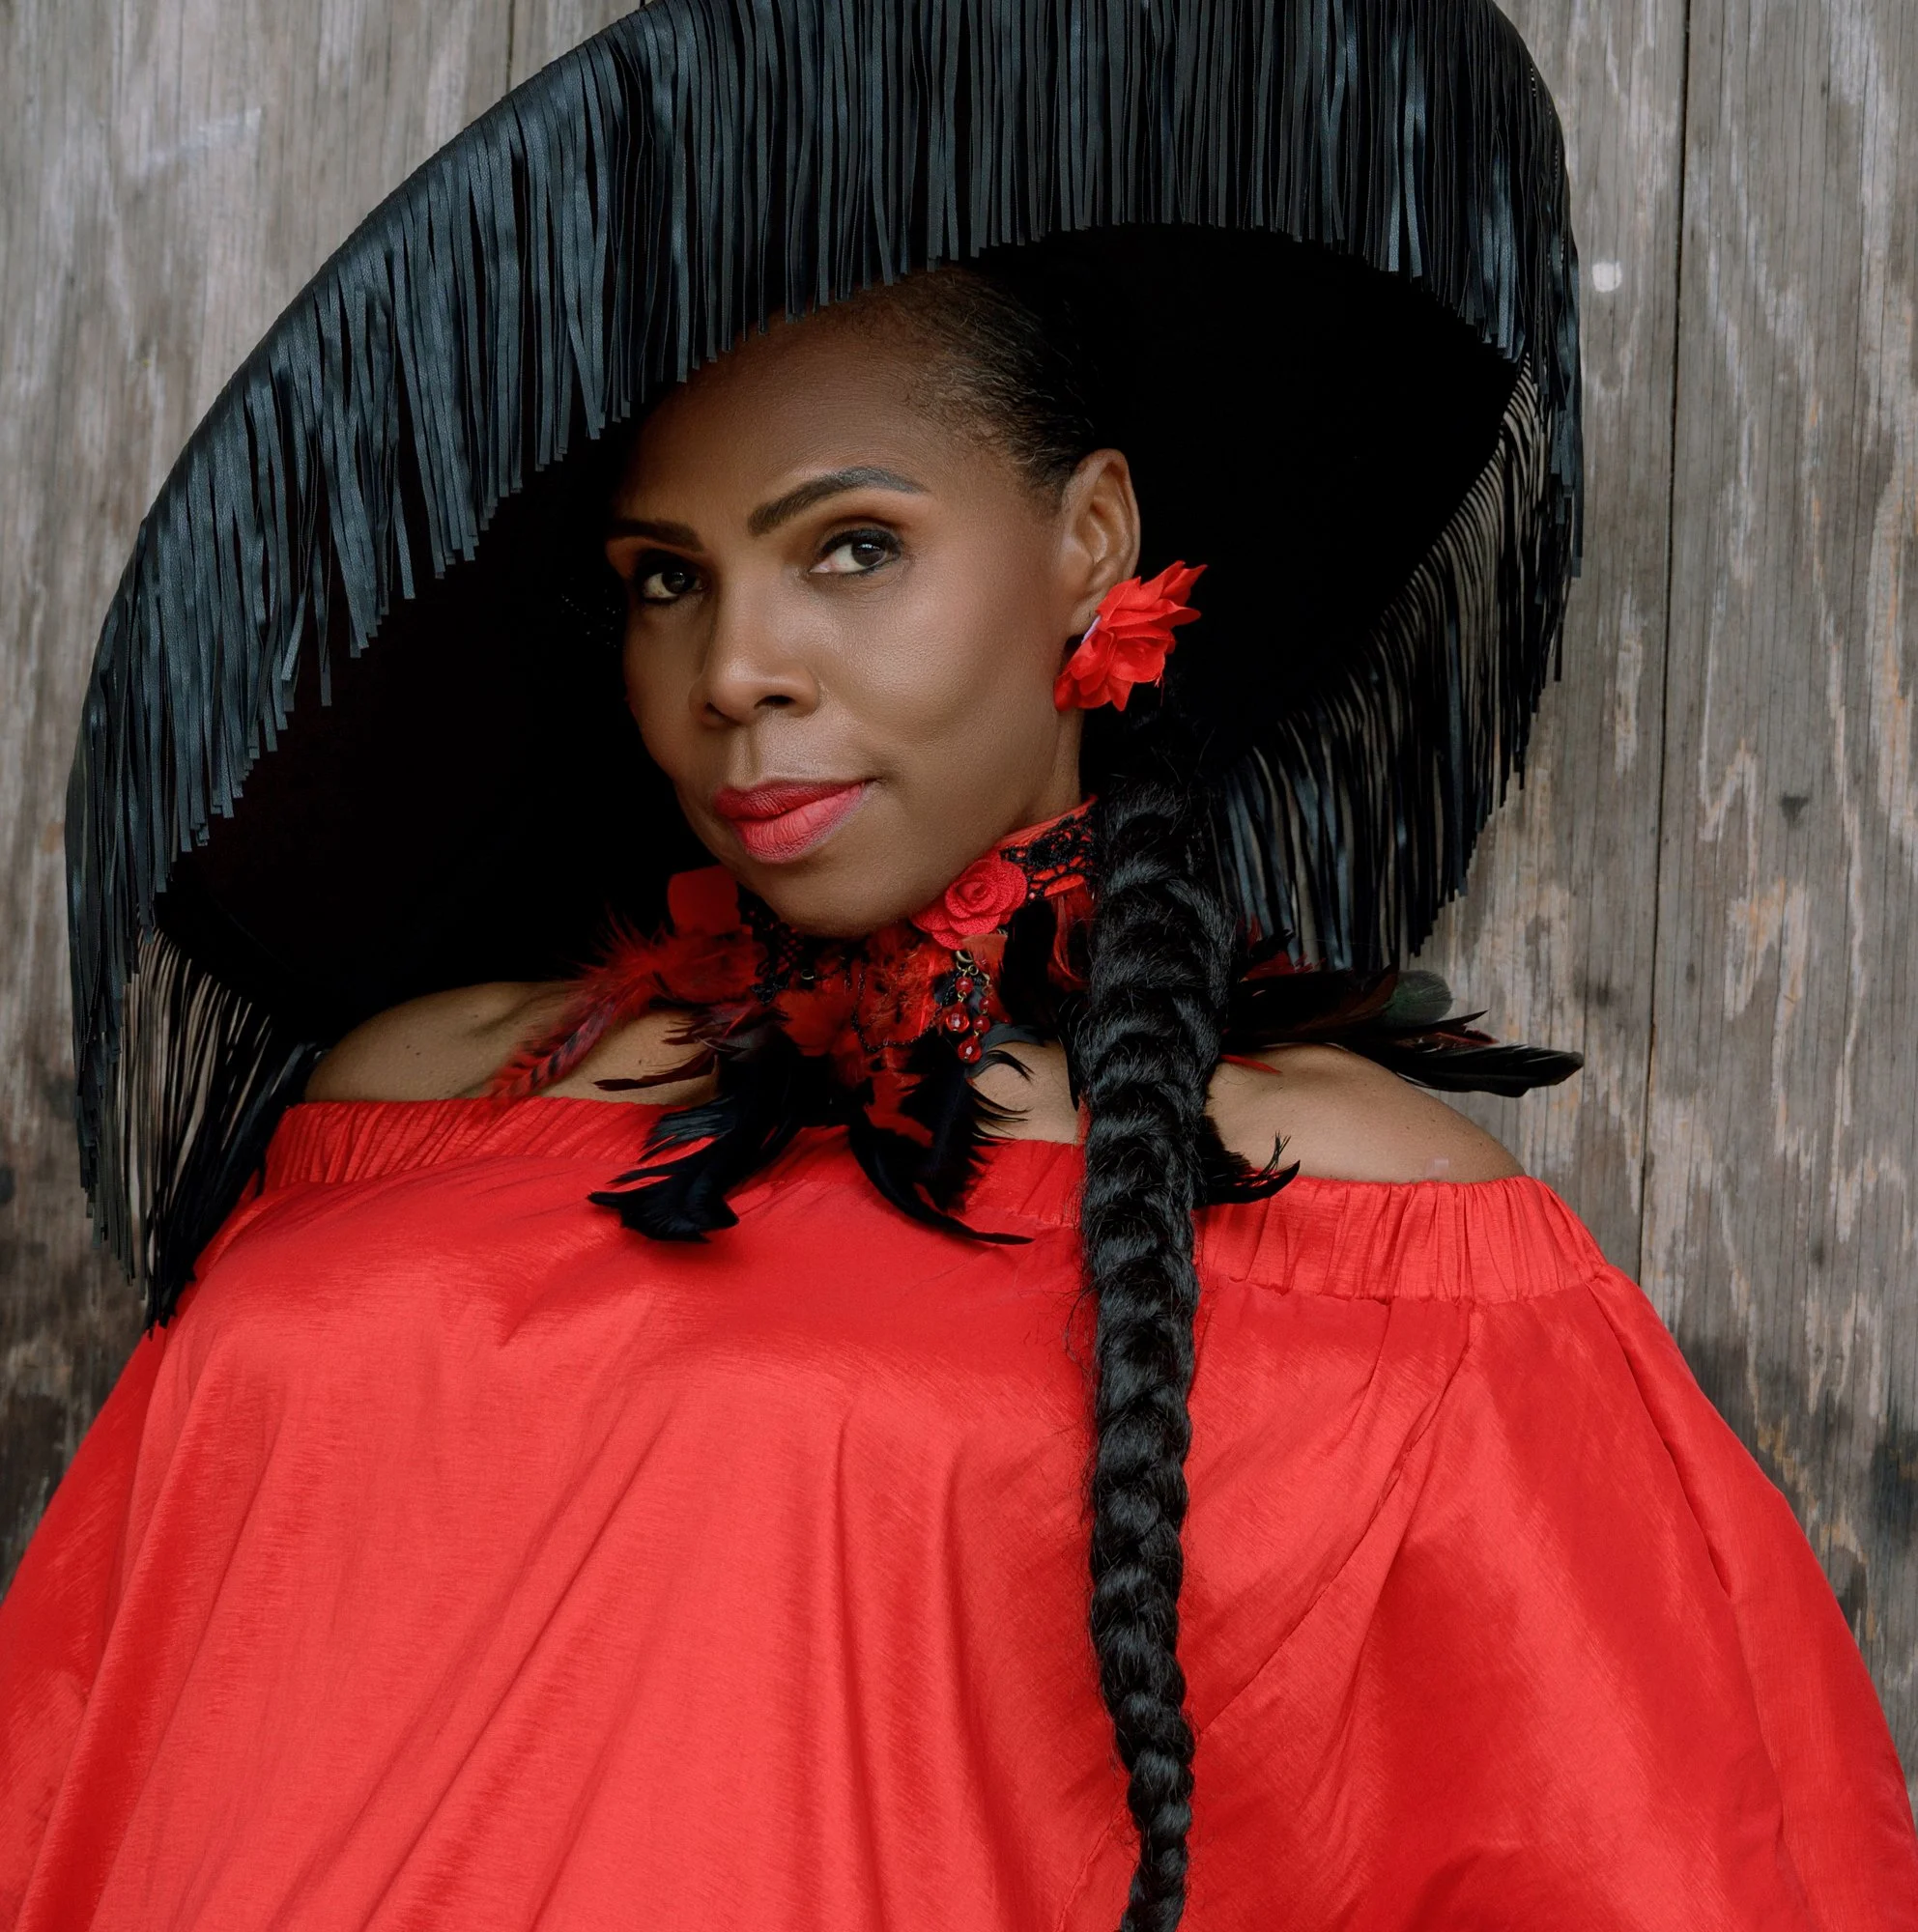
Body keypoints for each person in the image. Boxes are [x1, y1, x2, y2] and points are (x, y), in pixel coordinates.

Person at [6, 3, 1917, 1928]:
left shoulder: (1370, 1228)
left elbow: (1663, 1854)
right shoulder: (412, 1091)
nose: (730, 667)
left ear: (1092, 541)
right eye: (666, 576)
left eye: (845, 548)